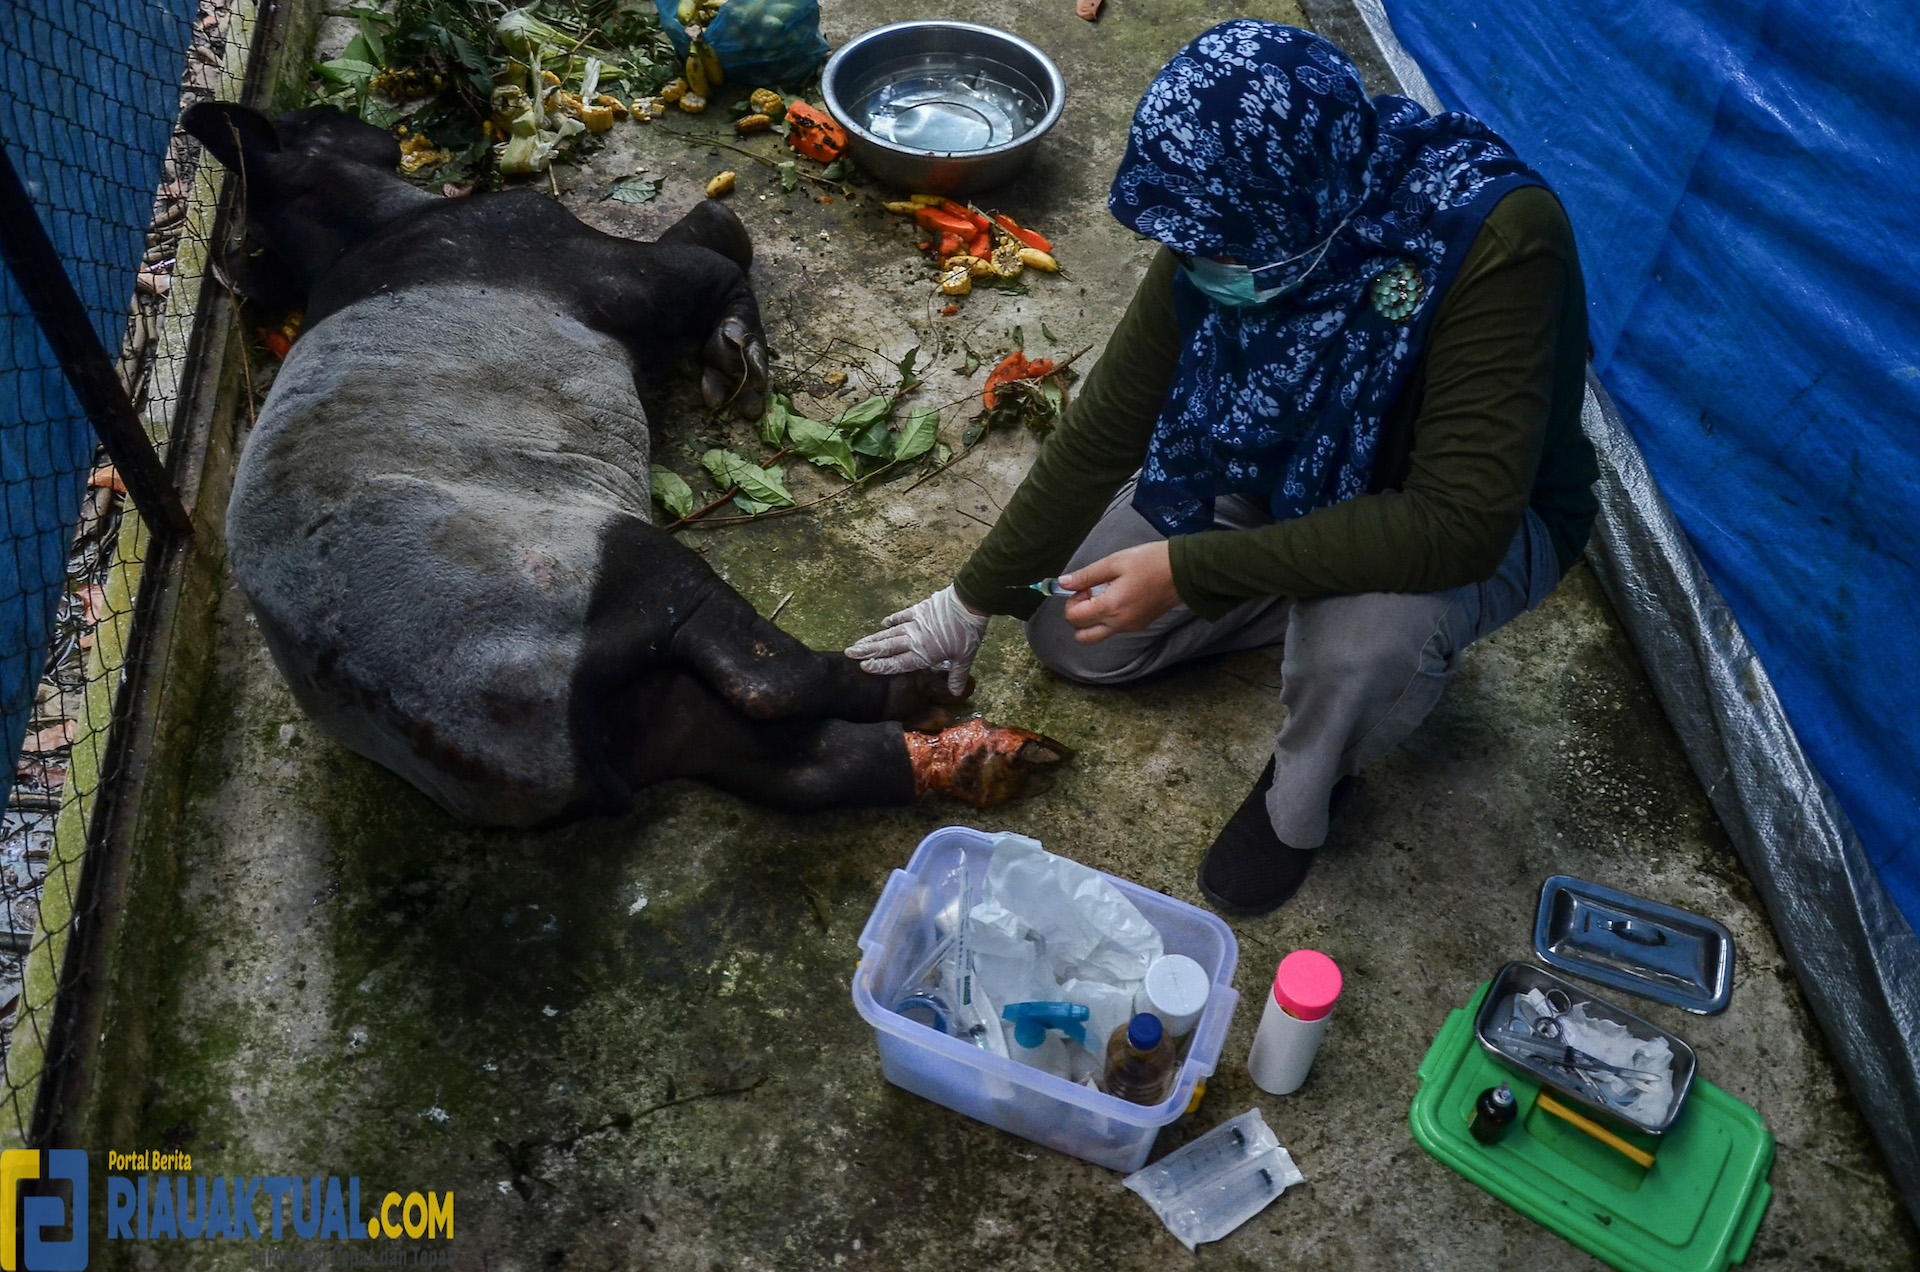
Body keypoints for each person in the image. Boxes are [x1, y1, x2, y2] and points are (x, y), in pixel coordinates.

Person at [848, 21, 1598, 915]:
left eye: (1217, 250)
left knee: (1366, 641)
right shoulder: (1238, 210)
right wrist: (970, 601)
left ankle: (1305, 789)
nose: (1198, 266)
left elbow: (1460, 523)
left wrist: (1193, 572)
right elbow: (1109, 424)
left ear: (1309, 209)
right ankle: (1306, 595)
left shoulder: (1495, 240)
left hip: (1463, 516)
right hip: (1283, 469)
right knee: (1073, 634)